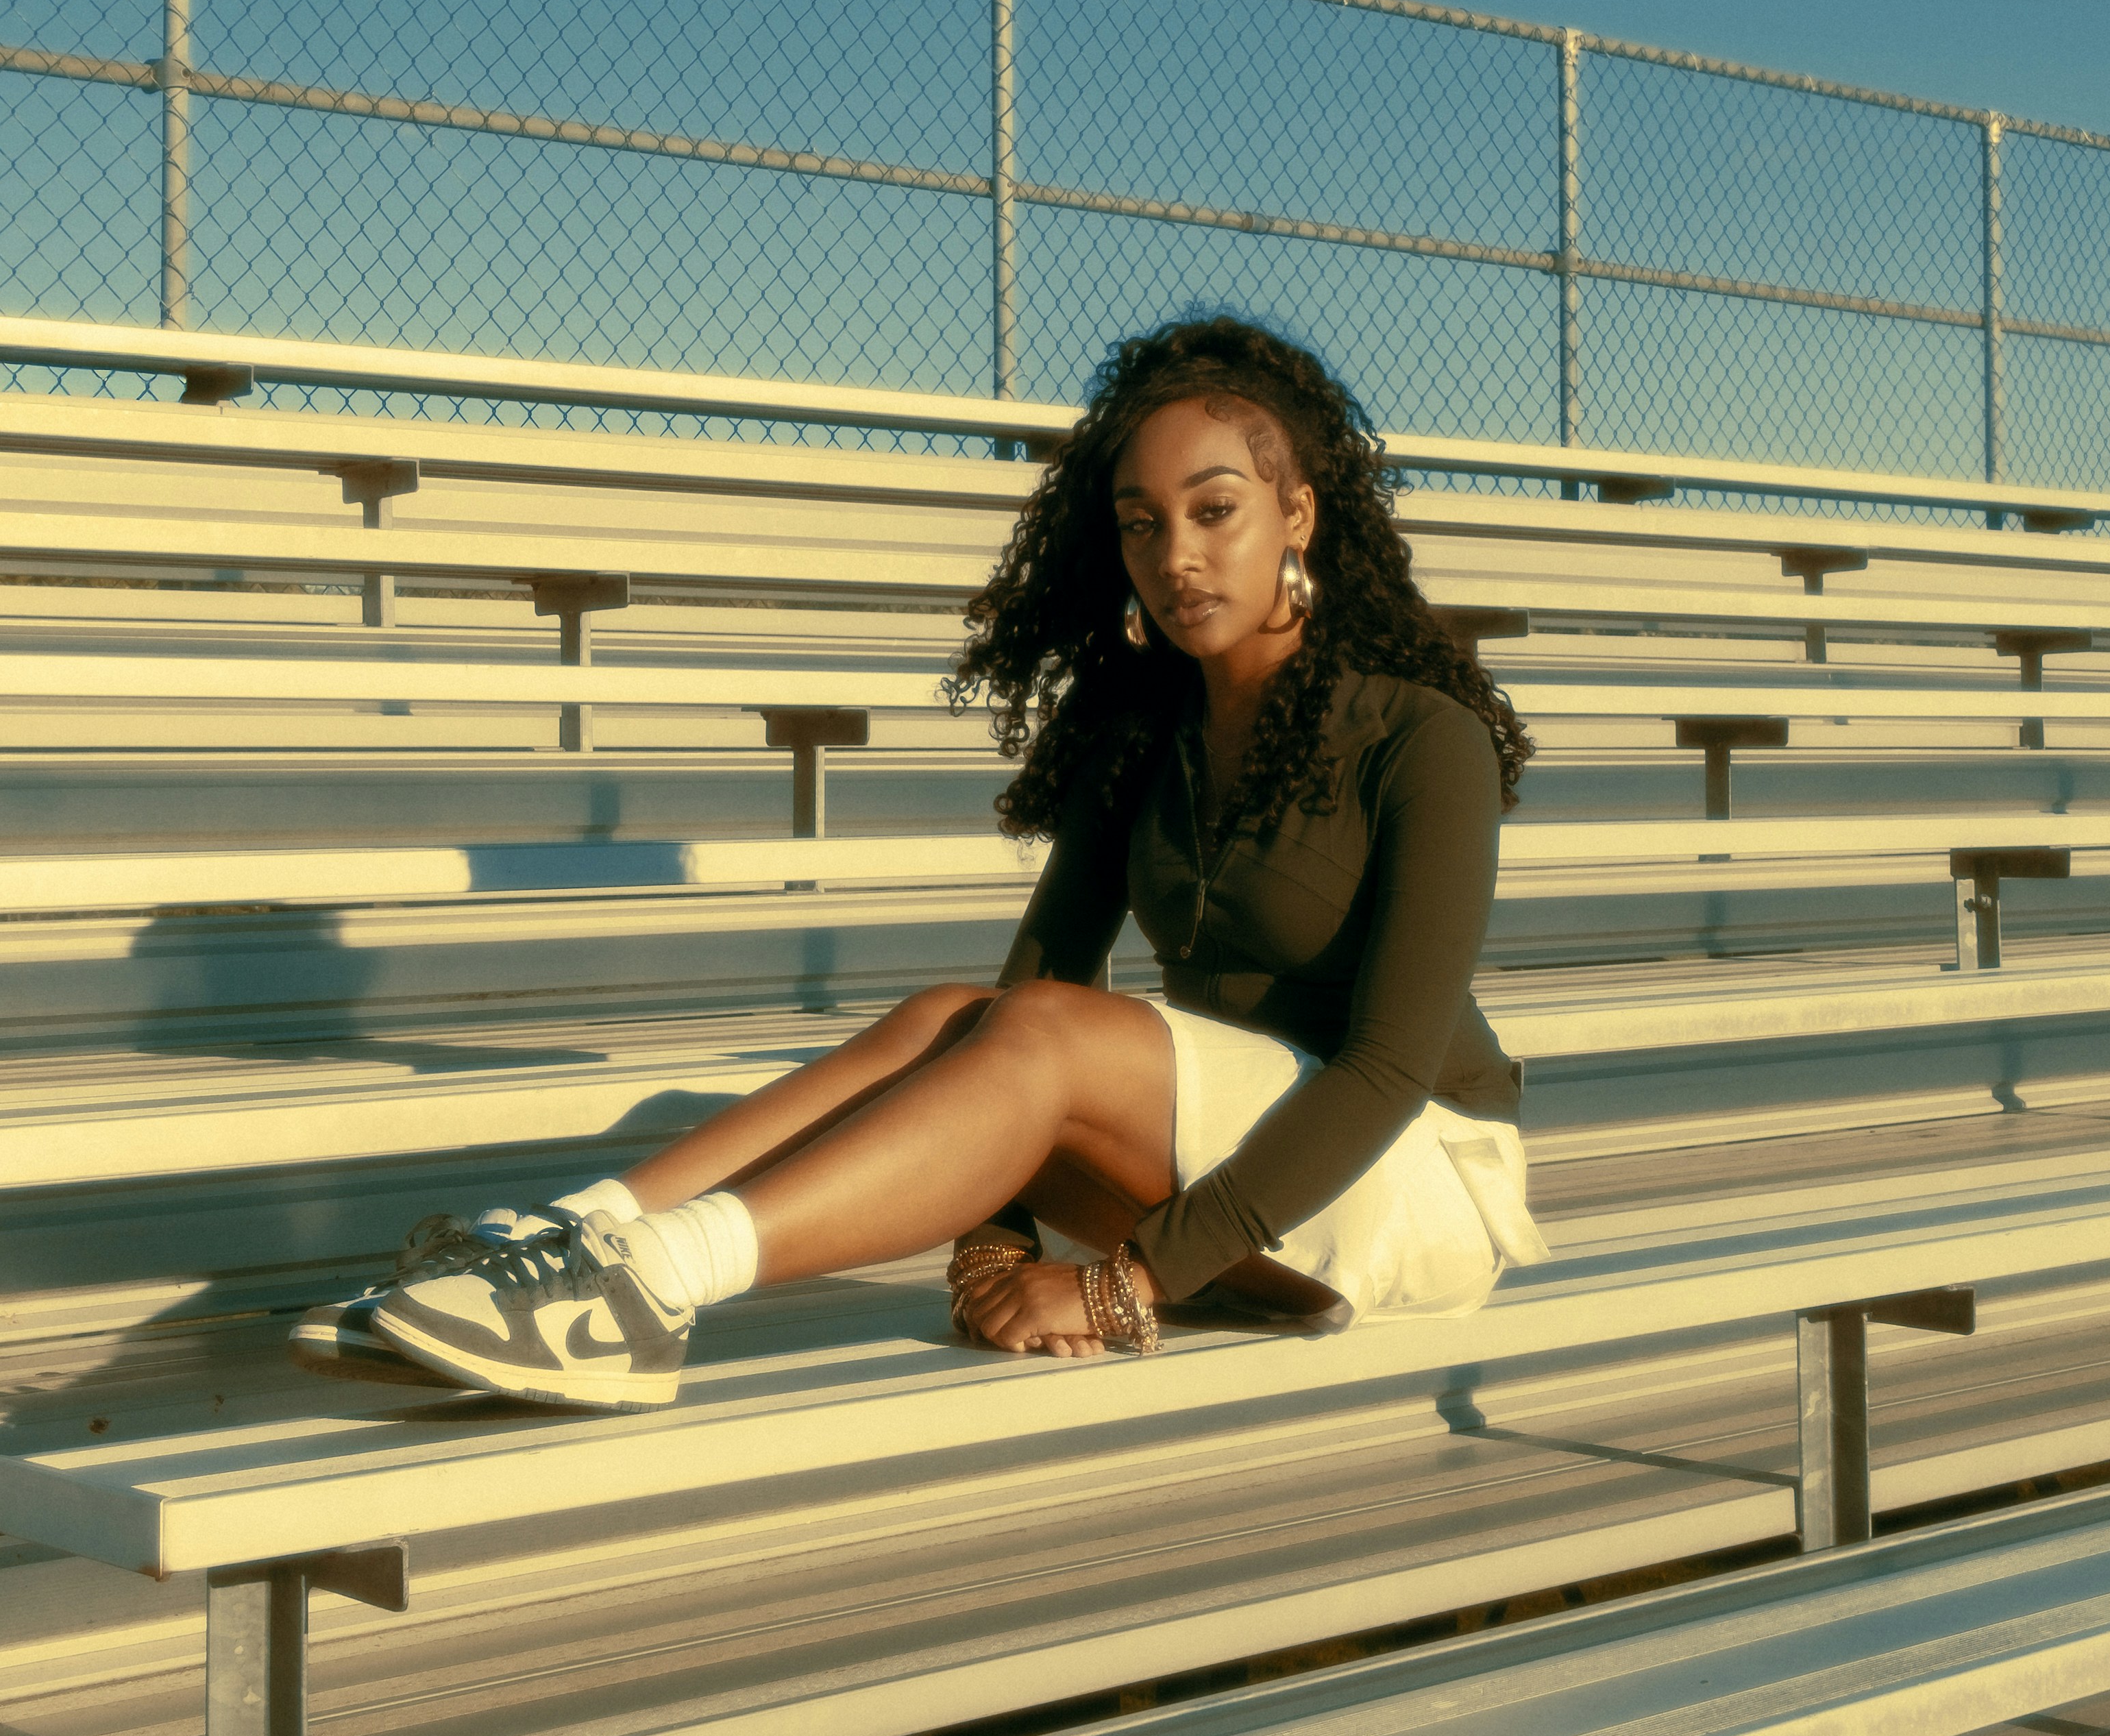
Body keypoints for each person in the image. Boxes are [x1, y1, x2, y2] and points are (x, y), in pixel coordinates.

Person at [302, 316, 1544, 1415]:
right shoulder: (1145, 740)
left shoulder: (1418, 738)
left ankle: (653, 1287)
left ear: (1297, 517)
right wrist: (991, 1249)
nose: (1176, 554)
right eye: (1140, 523)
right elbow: (1019, 1000)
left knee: (1044, 1030)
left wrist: (1126, 1283)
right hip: (1242, 1175)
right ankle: (585, 1239)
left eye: (1214, 511)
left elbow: (1384, 1068)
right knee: (955, 1013)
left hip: (1412, 1176)